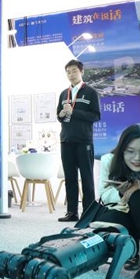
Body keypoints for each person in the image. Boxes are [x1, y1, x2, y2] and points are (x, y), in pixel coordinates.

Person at [97, 124, 140, 279]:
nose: (137, 158)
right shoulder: (109, 160)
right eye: (130, 151)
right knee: (106, 225)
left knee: (139, 197)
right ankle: (134, 249)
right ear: (122, 150)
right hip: (122, 210)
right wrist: (121, 192)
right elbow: (103, 195)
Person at [56, 59, 101, 222]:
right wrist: (61, 116)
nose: (71, 74)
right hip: (66, 140)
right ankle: (72, 212)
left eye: (74, 71)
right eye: (68, 71)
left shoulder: (90, 92)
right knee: (70, 178)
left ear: (81, 72)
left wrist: (73, 112)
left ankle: (88, 213)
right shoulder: (63, 93)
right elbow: (59, 115)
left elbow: (96, 116)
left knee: (87, 178)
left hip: (84, 140)